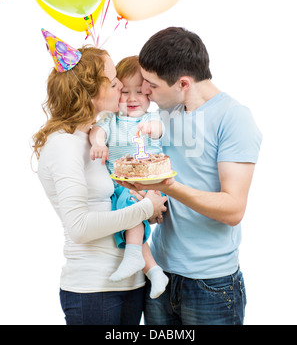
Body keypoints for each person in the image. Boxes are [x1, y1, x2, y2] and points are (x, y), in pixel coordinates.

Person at [117, 27, 262, 325]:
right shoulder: (166, 113)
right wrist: (150, 199)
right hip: (160, 274)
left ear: (183, 83)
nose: (145, 90)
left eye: (152, 85)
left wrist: (168, 186)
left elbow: (233, 209)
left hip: (211, 285)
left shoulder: (234, 118)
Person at [32, 30, 167, 325]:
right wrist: (145, 209)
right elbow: (80, 227)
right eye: (113, 79)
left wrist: (148, 206)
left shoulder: (94, 139)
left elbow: (112, 203)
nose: (120, 85)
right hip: (94, 289)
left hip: (131, 285)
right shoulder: (63, 144)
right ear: (91, 90)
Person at [89, 56, 169, 299]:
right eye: (124, 91)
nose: (132, 98)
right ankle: (154, 271)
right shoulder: (111, 119)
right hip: (120, 184)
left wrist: (150, 130)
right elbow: (96, 131)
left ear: (149, 94)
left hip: (150, 182)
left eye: (139, 92)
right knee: (129, 217)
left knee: (132, 209)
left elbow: (160, 130)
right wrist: (99, 143)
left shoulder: (150, 118)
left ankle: (133, 255)